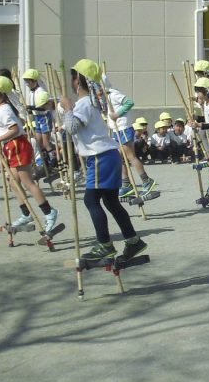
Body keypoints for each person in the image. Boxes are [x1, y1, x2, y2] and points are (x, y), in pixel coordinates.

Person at [59, 59, 145, 262]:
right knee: (110, 201)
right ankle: (133, 241)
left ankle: (105, 245)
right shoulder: (91, 102)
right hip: (106, 156)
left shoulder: (85, 103)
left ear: (77, 81)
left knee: (90, 199)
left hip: (100, 157)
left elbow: (72, 128)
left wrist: (68, 109)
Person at [0, 75, 60, 234]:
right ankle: (26, 213)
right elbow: (20, 123)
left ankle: (49, 212)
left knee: (28, 182)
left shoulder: (4, 109)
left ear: (1, 94)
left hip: (17, 145)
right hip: (11, 147)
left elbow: (15, 129)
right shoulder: (2, 109)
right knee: (12, 181)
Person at [103, 78, 155, 199]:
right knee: (118, 158)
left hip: (123, 128)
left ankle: (146, 180)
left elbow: (129, 102)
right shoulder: (105, 98)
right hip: (116, 130)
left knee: (130, 156)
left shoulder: (113, 94)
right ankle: (126, 183)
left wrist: (117, 114)